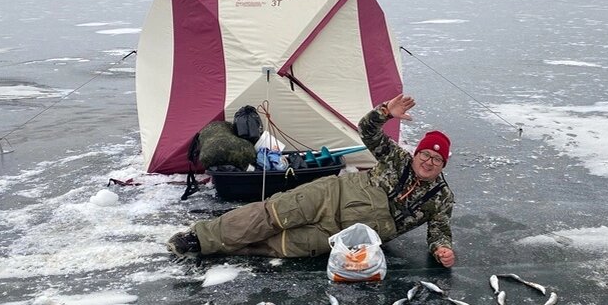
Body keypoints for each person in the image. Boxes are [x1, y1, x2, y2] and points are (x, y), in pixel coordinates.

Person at [166, 94, 456, 267]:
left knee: (282, 245)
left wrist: (441, 249)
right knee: (273, 214)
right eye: (425, 154)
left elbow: (439, 231)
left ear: (443, 164)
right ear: (417, 153)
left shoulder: (441, 197)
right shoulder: (397, 158)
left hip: (347, 232)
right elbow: (368, 131)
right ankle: (199, 237)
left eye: (437, 159)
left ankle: (215, 248)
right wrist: (384, 113)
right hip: (333, 195)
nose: (428, 162)